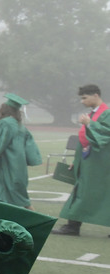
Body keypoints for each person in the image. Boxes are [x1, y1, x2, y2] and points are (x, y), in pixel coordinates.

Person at [55, 84, 109, 236]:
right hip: (89, 161)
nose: (82, 101)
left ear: (96, 95)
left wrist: (89, 124)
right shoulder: (94, 113)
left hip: (100, 164)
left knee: (92, 194)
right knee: (83, 192)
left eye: (85, 98)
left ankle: (72, 226)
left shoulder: (106, 113)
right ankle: (73, 225)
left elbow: (105, 134)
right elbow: (86, 140)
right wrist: (77, 160)